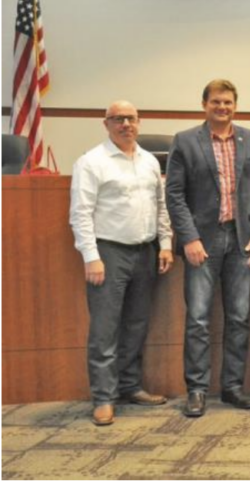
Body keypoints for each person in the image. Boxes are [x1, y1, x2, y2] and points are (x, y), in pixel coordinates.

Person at [165, 79, 250, 417]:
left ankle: (232, 387)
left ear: (235, 105)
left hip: (242, 242)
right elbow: (175, 195)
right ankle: (196, 390)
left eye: (227, 102)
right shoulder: (185, 141)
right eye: (216, 102)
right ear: (204, 105)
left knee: (239, 317)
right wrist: (189, 238)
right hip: (203, 242)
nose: (222, 107)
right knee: (198, 319)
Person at [69, 101, 174, 426]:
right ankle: (103, 397)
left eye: (130, 118)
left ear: (139, 122)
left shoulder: (148, 161)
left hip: (145, 251)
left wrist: (166, 244)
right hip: (109, 253)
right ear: (106, 124)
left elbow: (161, 205)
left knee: (136, 324)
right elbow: (80, 213)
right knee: (104, 328)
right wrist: (91, 256)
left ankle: (130, 387)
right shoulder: (92, 162)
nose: (125, 124)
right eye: (118, 119)